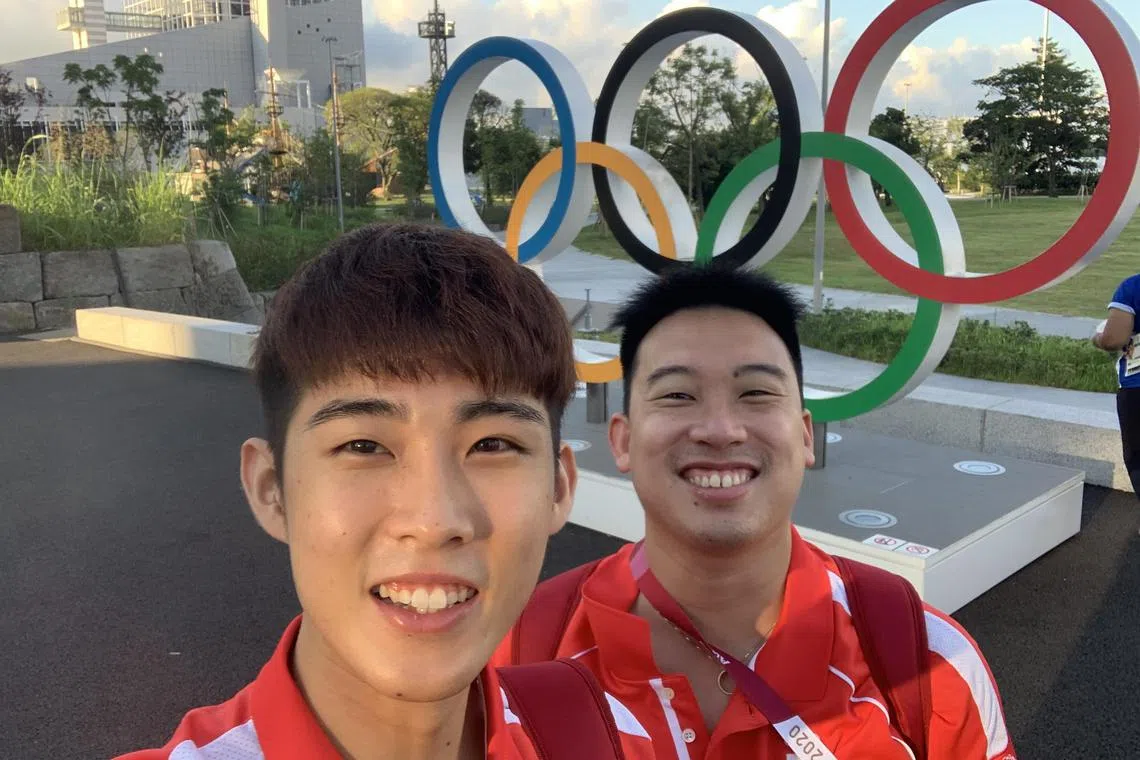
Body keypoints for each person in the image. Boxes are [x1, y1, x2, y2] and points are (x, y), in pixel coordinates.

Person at [115, 223, 653, 759]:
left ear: (559, 487)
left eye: (492, 444)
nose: (434, 519)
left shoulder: (615, 740)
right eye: (365, 447)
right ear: (271, 488)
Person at [493, 265, 1017, 759]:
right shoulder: (519, 650)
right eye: (678, 394)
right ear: (623, 441)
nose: (721, 429)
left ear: (806, 435)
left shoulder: (927, 660)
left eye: (757, 393)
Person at [1092, 272, 1140, 532]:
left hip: (1137, 389)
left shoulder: (1132, 286)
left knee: (1138, 457)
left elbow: (1113, 339)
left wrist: (1097, 337)